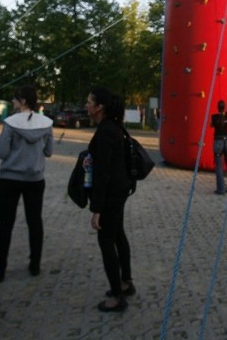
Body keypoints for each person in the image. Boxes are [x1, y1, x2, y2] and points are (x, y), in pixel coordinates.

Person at [0, 85, 54, 281]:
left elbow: (2, 153)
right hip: (35, 179)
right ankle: (34, 265)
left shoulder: (10, 123)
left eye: (15, 98)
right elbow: (49, 152)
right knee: (34, 221)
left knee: (5, 223)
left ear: (23, 101)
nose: (12, 102)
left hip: (10, 178)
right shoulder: (46, 123)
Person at [85, 87, 134, 312]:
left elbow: (104, 173)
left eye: (89, 101)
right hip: (120, 189)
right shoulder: (115, 128)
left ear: (99, 107)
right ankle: (125, 283)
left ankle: (117, 296)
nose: (86, 105)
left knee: (106, 241)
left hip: (111, 193)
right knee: (118, 235)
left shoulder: (106, 132)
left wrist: (97, 209)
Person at [211, 92, 227, 195]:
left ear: (217, 107)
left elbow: (210, 125)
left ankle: (220, 189)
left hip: (218, 141)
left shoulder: (214, 117)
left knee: (219, 166)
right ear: (224, 108)